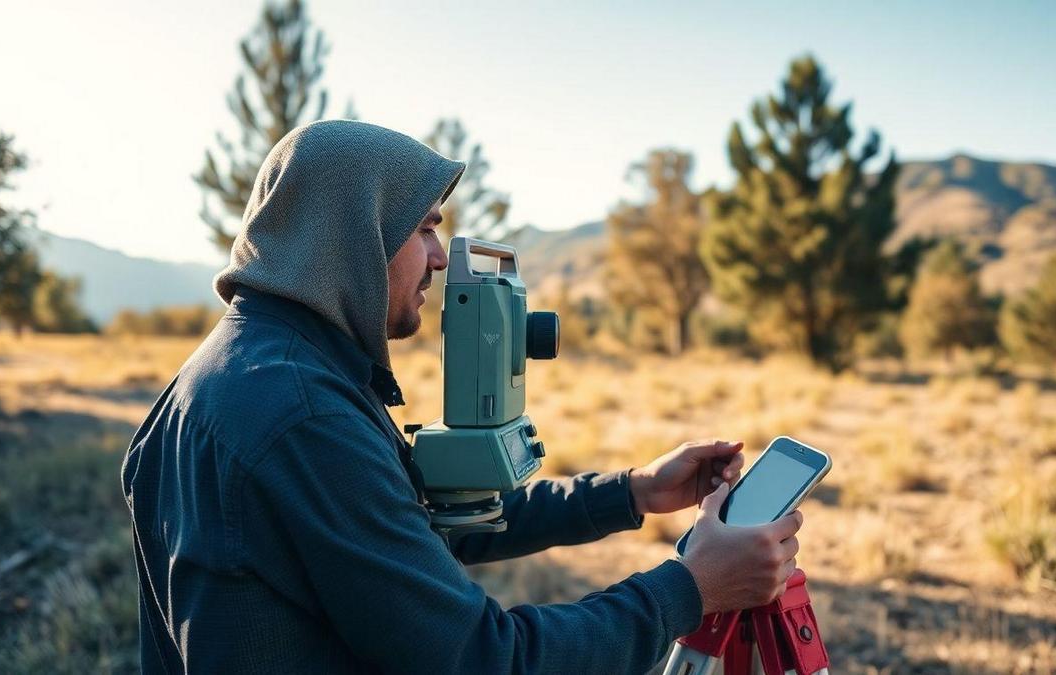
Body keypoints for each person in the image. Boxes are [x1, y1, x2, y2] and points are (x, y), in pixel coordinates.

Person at [121, 120, 803, 674]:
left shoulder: (231, 375)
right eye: (424, 228)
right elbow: (484, 658)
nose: (443, 257)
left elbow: (406, 529)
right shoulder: (304, 416)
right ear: (354, 237)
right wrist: (689, 588)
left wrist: (630, 492)